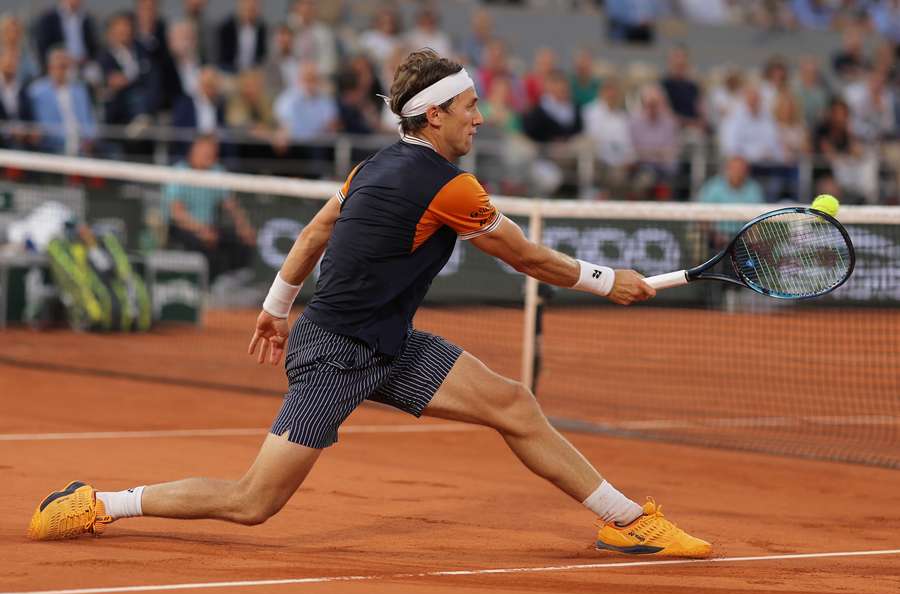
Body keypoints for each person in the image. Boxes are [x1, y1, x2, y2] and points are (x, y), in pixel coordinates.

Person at [26, 49, 711, 560]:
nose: (481, 115)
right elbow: (527, 257)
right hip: (335, 354)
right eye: (470, 105)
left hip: (385, 342)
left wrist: (275, 304)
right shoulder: (451, 186)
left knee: (513, 403)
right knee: (253, 501)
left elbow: (316, 229)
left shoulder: (373, 167)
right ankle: (101, 504)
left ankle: (626, 521)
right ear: (435, 114)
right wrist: (606, 280)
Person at [158, 134, 256, 281]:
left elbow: (231, 204)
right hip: (183, 229)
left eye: (213, 152)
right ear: (194, 150)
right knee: (201, 245)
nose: (210, 155)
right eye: (206, 151)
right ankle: (206, 287)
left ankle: (234, 283)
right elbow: (177, 213)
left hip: (209, 228)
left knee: (238, 241)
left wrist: (244, 226)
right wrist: (201, 230)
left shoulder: (217, 171)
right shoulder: (178, 172)